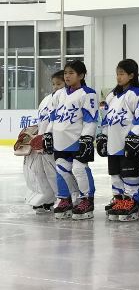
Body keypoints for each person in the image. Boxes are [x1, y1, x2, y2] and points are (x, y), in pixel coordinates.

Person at [43, 60, 98, 220]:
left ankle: (87, 200)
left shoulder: (88, 94)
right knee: (61, 169)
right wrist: (48, 133)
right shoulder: (58, 94)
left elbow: (91, 119)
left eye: (71, 73)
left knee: (79, 169)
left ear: (81, 75)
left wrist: (87, 138)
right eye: (66, 73)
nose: (67, 76)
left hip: (77, 141)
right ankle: (65, 199)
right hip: (60, 141)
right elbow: (53, 117)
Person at [98, 59, 139, 222]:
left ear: (131, 75)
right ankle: (119, 200)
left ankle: (133, 201)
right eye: (117, 74)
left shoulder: (138, 94)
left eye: (122, 74)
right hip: (113, 144)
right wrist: (103, 136)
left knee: (130, 174)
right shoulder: (112, 95)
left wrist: (134, 137)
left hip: (128, 144)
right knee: (115, 174)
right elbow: (105, 120)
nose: (118, 77)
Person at [20, 70, 65, 213]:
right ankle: (46, 198)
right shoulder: (46, 100)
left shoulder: (65, 99)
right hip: (42, 142)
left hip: (57, 141)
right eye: (54, 84)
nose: (55, 87)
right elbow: (42, 121)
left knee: (56, 171)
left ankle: (64, 199)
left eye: (59, 84)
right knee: (40, 172)